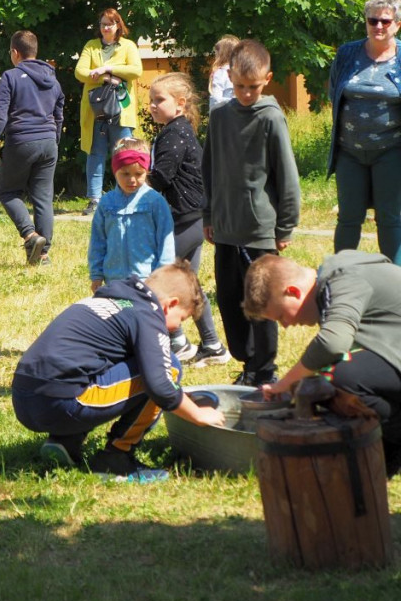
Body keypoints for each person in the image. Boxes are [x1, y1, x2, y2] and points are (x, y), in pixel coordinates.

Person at [12, 261, 226, 480]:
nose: (176, 327)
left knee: (119, 361)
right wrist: (197, 414)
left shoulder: (116, 300)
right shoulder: (148, 313)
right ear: (170, 305)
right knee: (169, 367)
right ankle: (116, 458)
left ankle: (66, 440)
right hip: (61, 401)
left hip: (23, 397)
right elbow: (161, 385)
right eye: (181, 319)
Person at [243, 251, 401, 475]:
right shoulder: (331, 286)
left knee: (337, 378)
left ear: (293, 292)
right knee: (330, 381)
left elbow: (332, 344)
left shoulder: (345, 280)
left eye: (281, 316)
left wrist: (285, 383)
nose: (285, 325)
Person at [203, 39, 301, 387]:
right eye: (240, 86)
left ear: (267, 79)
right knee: (230, 301)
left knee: (261, 303)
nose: (246, 93)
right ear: (229, 76)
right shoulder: (219, 116)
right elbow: (209, 168)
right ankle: (248, 365)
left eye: (253, 87)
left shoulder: (271, 117)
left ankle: (265, 369)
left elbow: (286, 174)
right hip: (226, 227)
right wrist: (209, 215)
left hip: (260, 230)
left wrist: (285, 226)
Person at [147, 72, 230, 366]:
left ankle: (177, 341)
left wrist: (135, 184)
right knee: (189, 285)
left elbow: (162, 175)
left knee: (157, 278)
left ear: (180, 103)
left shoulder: (174, 133)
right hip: (194, 218)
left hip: (184, 219)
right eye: (151, 100)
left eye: (159, 100)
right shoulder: (179, 130)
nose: (153, 106)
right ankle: (213, 345)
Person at [328, 0, 401, 264]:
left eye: (385, 21)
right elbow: (334, 92)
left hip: (391, 151)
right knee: (348, 217)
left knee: (390, 218)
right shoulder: (347, 53)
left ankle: (395, 279)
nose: (378, 26)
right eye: (373, 20)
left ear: (397, 25)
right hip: (349, 151)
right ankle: (340, 273)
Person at [0, 29, 65, 265]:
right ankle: (43, 255)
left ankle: (30, 235)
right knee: (43, 198)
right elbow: (59, 116)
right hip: (48, 142)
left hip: (21, 140)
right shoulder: (53, 80)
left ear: (15, 52)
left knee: (7, 192)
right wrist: (54, 141)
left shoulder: (10, 76)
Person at [74, 8, 143, 215]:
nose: (105, 28)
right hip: (96, 110)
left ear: (118, 26)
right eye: (103, 24)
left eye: (109, 24)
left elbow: (136, 70)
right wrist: (106, 79)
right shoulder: (91, 45)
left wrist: (106, 69)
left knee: (124, 154)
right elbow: (80, 72)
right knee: (95, 154)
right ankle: (94, 200)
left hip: (121, 110)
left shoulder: (128, 46)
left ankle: (125, 196)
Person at [88, 138, 174, 291]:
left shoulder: (155, 202)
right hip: (114, 279)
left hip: (147, 280)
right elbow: (98, 240)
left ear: (146, 171)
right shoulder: (107, 203)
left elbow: (166, 242)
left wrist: (162, 276)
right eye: (125, 174)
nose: (132, 180)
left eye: (138, 174)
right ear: (115, 171)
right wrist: (96, 274)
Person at [208, 35, 239, 112]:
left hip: (224, 115)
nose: (215, 56)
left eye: (216, 53)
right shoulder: (241, 72)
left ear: (222, 54)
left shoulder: (221, 72)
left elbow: (216, 99)